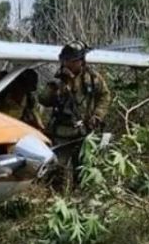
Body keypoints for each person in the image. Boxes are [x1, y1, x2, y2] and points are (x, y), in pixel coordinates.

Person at [38, 41, 112, 188]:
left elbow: (105, 96)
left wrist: (97, 115)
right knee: (56, 172)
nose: (67, 64)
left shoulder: (92, 78)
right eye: (65, 61)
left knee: (83, 171)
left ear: (80, 61)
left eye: (71, 61)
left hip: (84, 133)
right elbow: (43, 99)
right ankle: (55, 202)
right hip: (62, 134)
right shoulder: (58, 80)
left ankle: (79, 200)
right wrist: (59, 87)